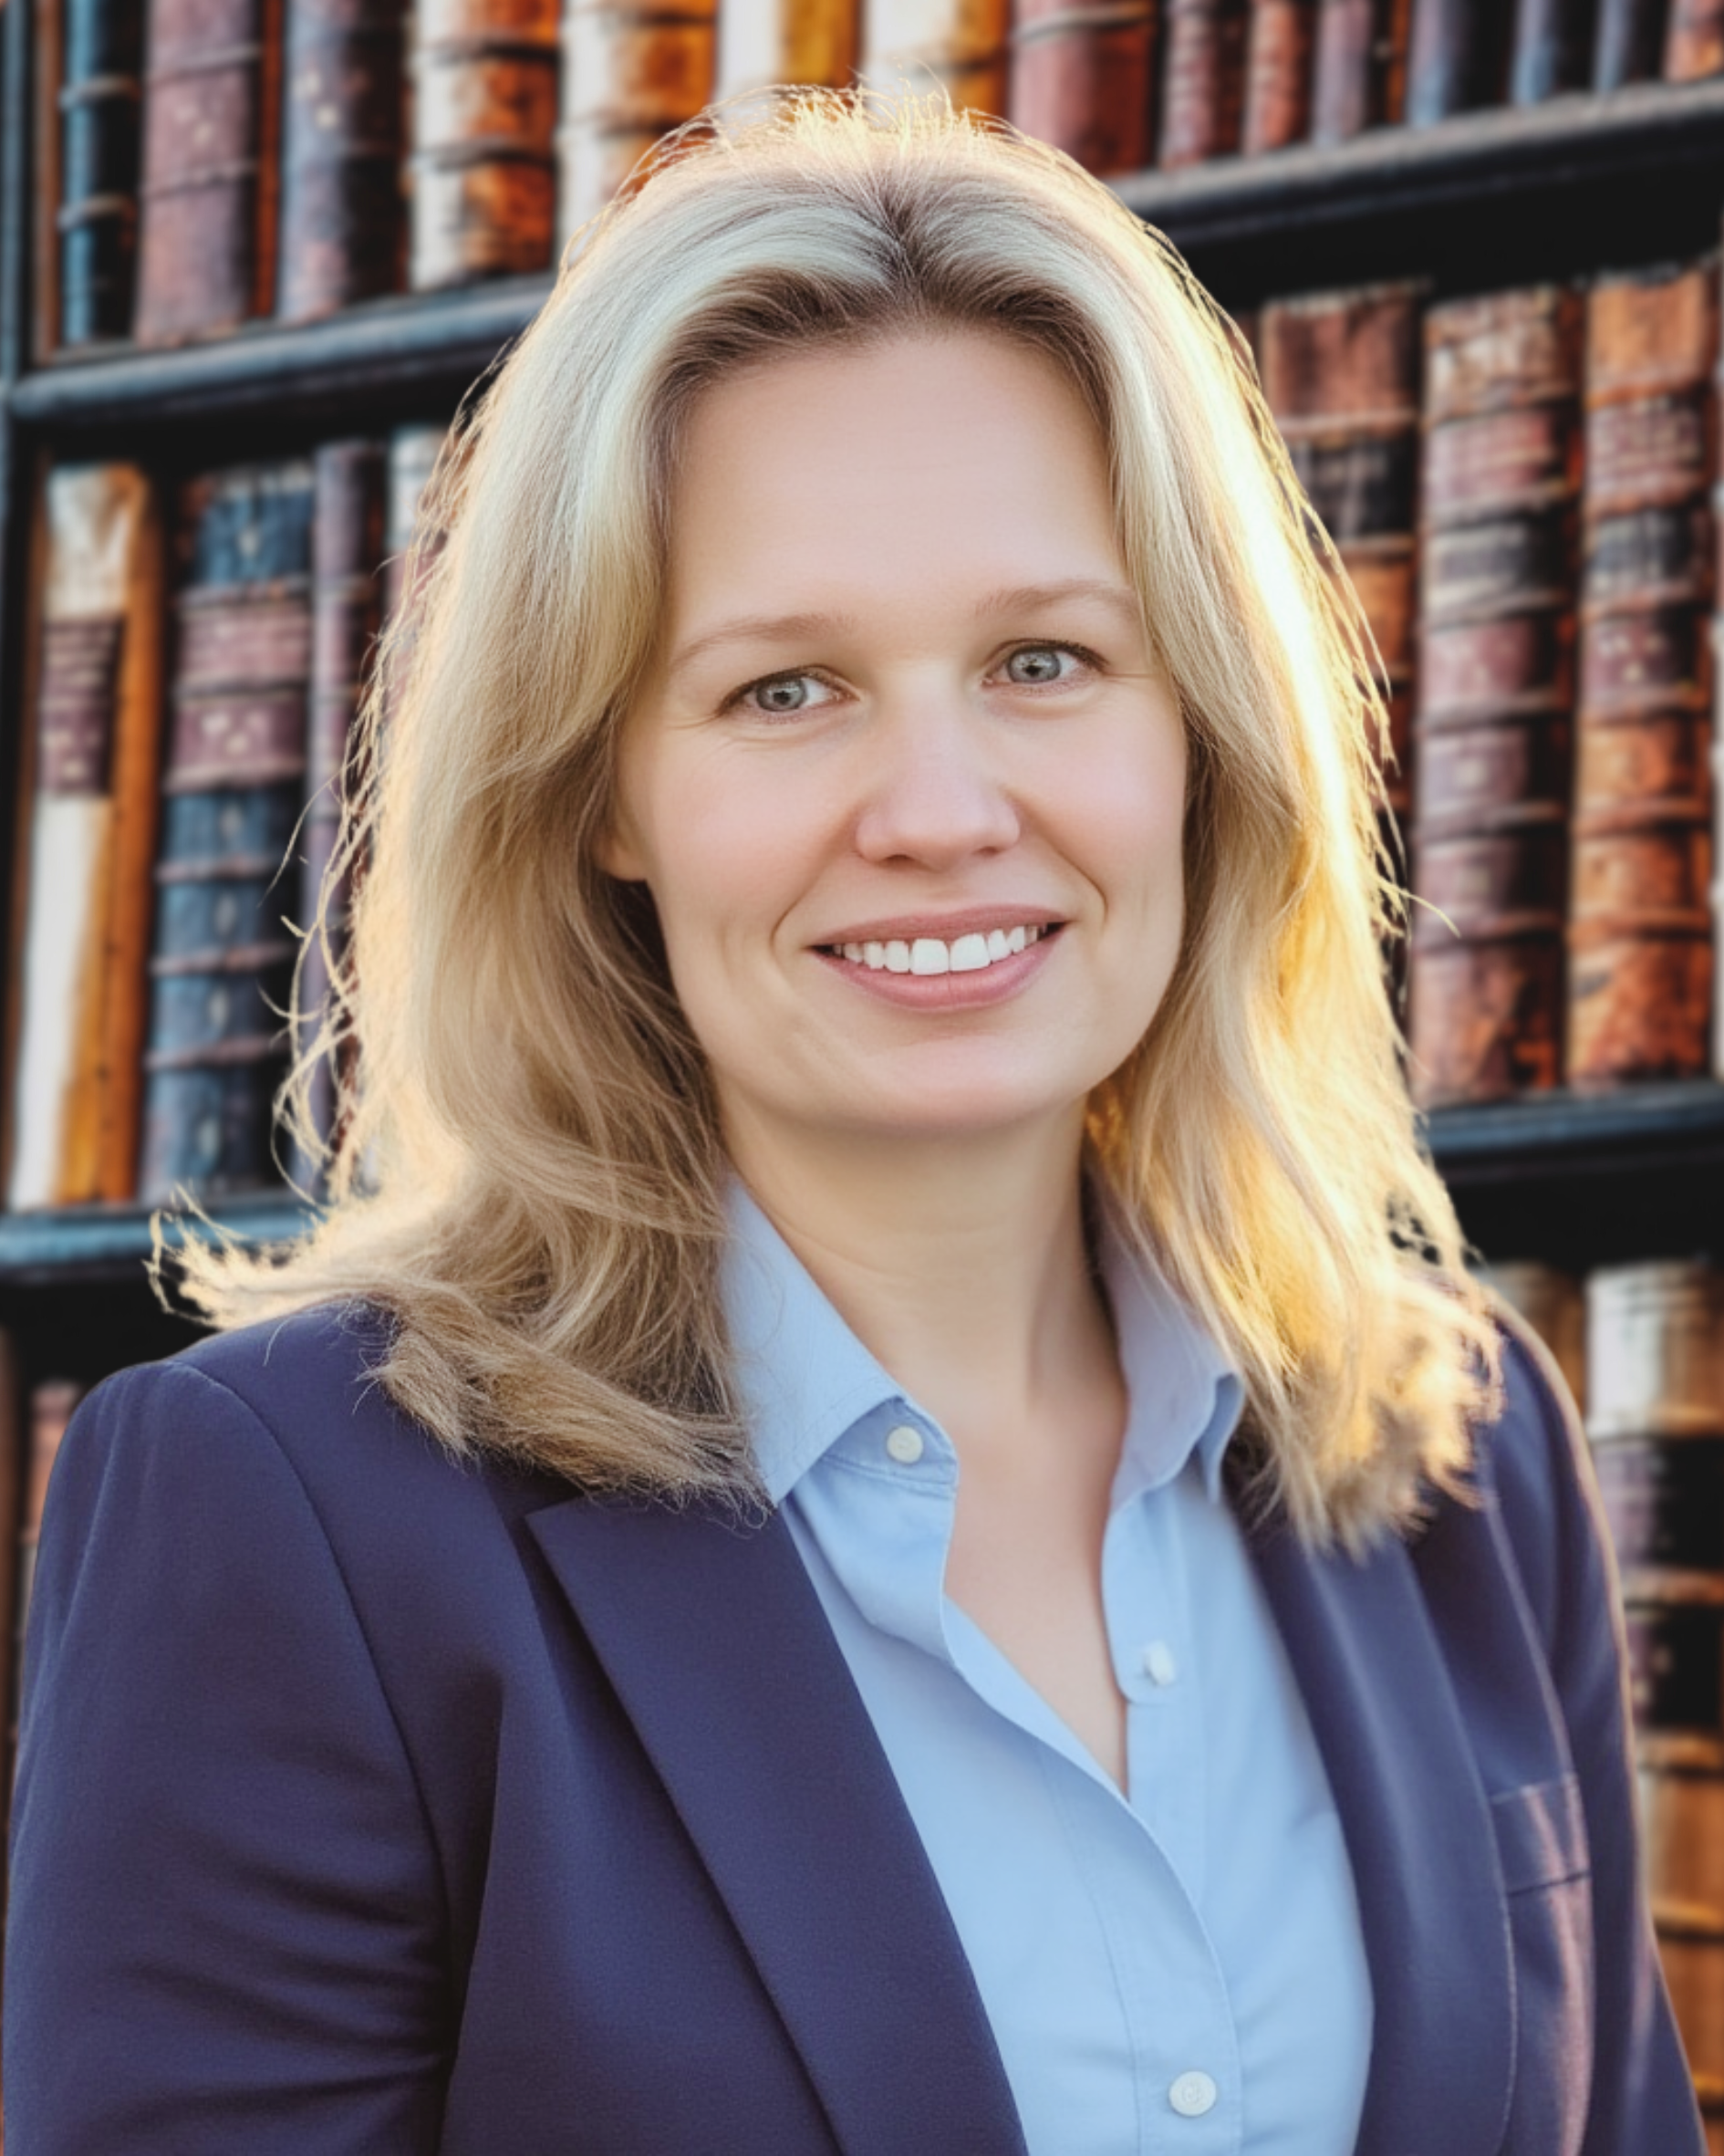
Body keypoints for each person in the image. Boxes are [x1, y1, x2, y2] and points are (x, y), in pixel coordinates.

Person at [4, 88, 1701, 2156]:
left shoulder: (1461, 1455)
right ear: (602, 786)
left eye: (1048, 658)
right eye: (785, 689)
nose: (940, 809)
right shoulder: (294, 1517)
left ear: (1203, 737)